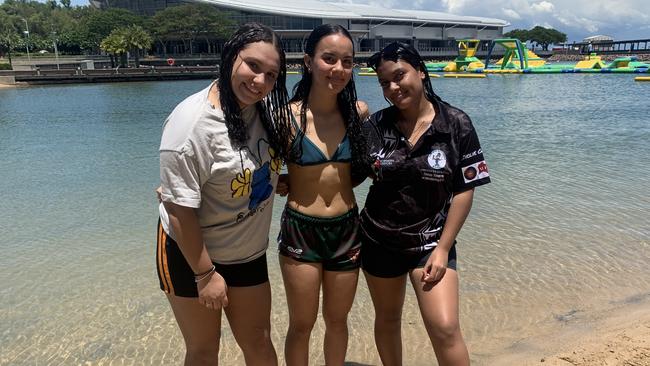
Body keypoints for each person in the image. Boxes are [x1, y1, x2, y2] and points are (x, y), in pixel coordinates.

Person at [155, 23, 292, 366]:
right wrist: (204, 274)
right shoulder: (192, 125)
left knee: (259, 343)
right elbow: (179, 211)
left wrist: (277, 181)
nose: (260, 81)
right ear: (231, 56)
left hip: (246, 251)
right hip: (190, 254)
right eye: (253, 66)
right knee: (204, 350)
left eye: (272, 74)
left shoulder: (265, 111)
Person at [360, 42, 491, 366]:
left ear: (420, 70)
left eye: (399, 75)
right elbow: (348, 174)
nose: (392, 87)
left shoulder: (456, 124)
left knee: (444, 327)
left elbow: (465, 188)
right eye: (384, 83)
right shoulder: (377, 125)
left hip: (431, 242)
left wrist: (444, 248)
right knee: (388, 319)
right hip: (378, 239)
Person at [275, 24, 369, 366]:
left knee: (338, 321)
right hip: (302, 228)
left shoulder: (358, 113)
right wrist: (278, 181)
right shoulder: (284, 117)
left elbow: (360, 169)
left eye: (347, 61)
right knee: (302, 324)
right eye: (329, 59)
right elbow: (251, 169)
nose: (339, 69)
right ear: (309, 61)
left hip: (347, 229)